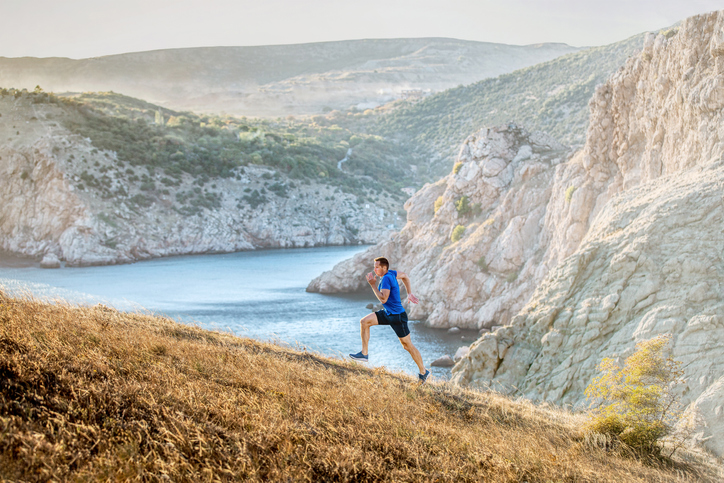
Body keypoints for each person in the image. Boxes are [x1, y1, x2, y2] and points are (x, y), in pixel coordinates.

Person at [349, 256, 431, 384]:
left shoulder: (387, 278)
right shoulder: (391, 273)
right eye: (374, 267)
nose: (374, 269)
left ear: (383, 267)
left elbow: (383, 299)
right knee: (364, 322)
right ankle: (364, 353)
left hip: (397, 317)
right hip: (388, 313)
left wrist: (373, 285)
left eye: (377, 267)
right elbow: (405, 276)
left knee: (407, 346)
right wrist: (409, 293)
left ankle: (423, 372)